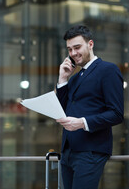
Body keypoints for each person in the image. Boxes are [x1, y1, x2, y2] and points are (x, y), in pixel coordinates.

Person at [56, 25, 124, 189]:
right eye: (70, 49)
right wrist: (63, 79)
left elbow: (116, 113)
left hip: (91, 151)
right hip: (68, 152)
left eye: (77, 47)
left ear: (90, 44)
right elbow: (62, 109)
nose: (73, 53)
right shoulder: (74, 78)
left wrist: (82, 123)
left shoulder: (108, 70)